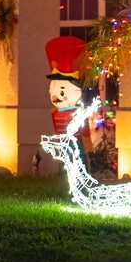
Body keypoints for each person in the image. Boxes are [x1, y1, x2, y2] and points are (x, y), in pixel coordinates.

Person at [45, 36, 93, 170]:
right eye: (51, 90)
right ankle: (64, 172)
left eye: (61, 92)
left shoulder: (78, 112)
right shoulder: (56, 112)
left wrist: (86, 139)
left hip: (77, 141)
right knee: (66, 157)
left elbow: (84, 130)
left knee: (79, 156)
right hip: (64, 142)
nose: (55, 97)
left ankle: (82, 171)